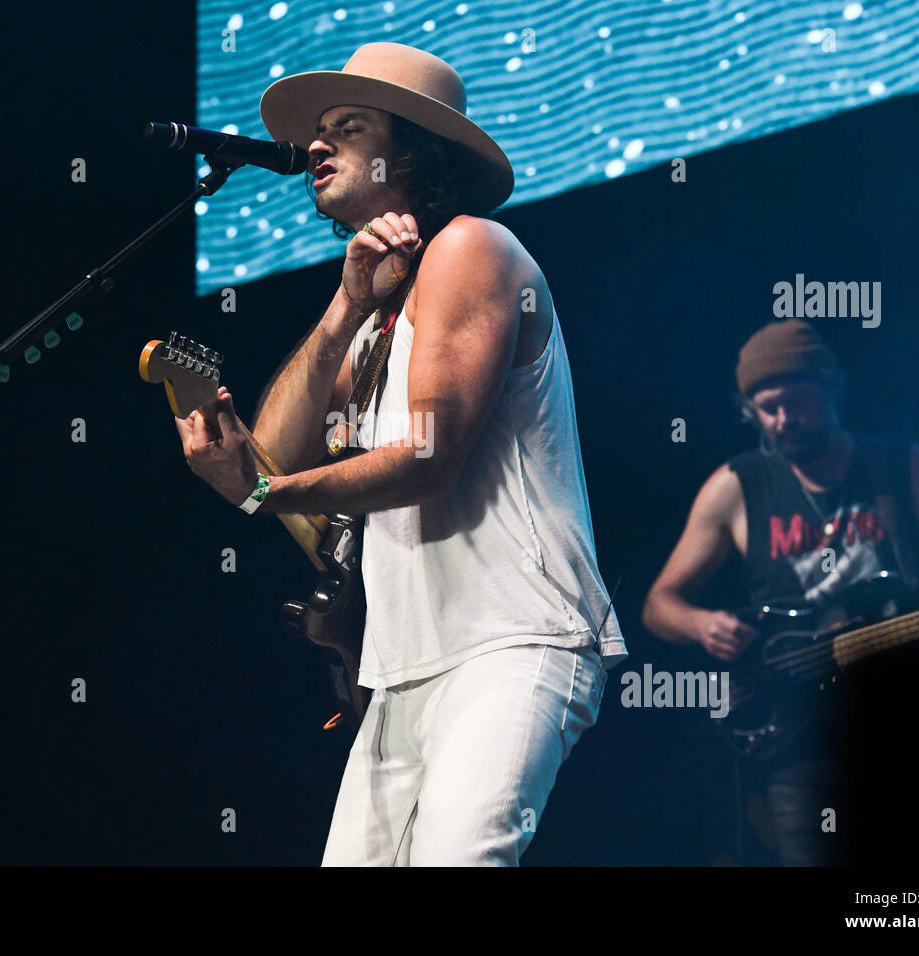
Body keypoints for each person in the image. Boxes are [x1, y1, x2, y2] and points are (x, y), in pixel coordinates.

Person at [173, 42, 627, 865]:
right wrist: (346, 307)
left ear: (410, 149)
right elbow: (272, 456)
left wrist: (261, 493)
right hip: (400, 674)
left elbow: (429, 457)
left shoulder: (472, 249)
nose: (316, 145)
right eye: (318, 131)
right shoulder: (379, 323)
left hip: (511, 642)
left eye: (346, 127)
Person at [641, 318, 919, 864]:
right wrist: (701, 625)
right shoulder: (736, 487)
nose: (782, 421)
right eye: (766, 409)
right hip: (801, 740)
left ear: (830, 388)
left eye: (794, 403)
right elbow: (659, 603)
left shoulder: (905, 468)